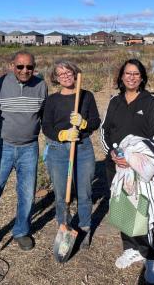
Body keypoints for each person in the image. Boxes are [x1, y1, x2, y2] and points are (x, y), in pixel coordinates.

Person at [0, 50, 48, 264]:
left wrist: (51, 141)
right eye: (20, 66)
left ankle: (21, 231)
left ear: (34, 67)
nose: (25, 71)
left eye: (29, 67)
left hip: (29, 148)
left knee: (27, 194)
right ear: (12, 65)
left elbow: (44, 117)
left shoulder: (41, 86)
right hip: (1, 146)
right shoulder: (0, 83)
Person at [100, 59, 154, 284]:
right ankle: (130, 248)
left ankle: (150, 256)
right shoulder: (114, 101)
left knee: (143, 211)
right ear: (121, 77)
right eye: (127, 73)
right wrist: (113, 154)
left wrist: (132, 159)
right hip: (116, 165)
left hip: (140, 166)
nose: (131, 77)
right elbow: (105, 131)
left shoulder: (151, 101)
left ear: (142, 78)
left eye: (136, 74)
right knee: (123, 208)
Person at [41, 60, 100, 248]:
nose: (65, 76)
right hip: (58, 150)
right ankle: (63, 226)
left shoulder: (86, 96)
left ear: (75, 74)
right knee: (60, 193)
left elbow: (95, 121)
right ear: (56, 78)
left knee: (85, 192)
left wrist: (83, 124)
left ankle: (84, 228)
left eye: (69, 72)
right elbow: (46, 126)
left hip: (82, 148)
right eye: (61, 74)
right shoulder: (51, 100)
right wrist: (62, 134)